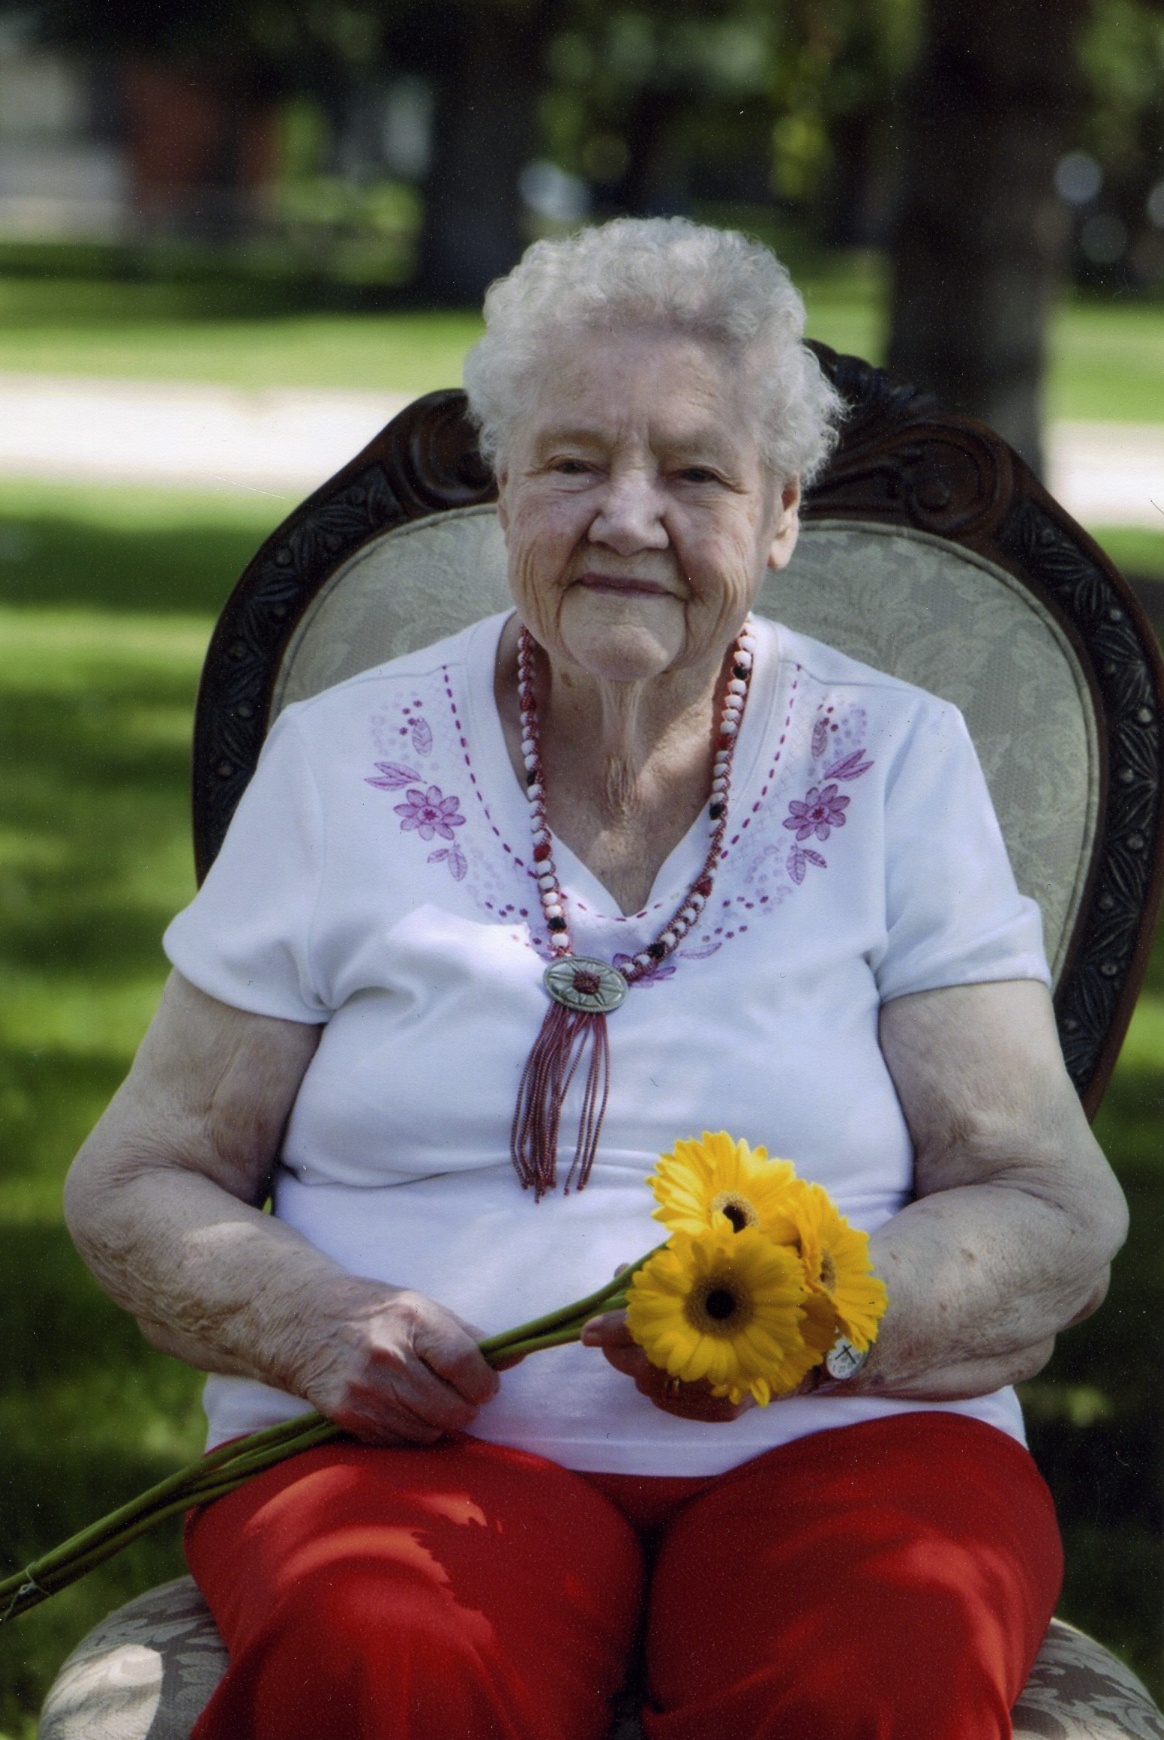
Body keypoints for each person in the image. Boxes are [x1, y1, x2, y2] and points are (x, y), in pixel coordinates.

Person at [64, 218, 1126, 1740]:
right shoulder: (343, 761)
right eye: (572, 463)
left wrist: (812, 1321)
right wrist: (313, 1324)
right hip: (402, 1468)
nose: (628, 517)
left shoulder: (895, 760)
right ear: (504, 492)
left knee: (874, 1666)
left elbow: (1051, 1209)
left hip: (849, 1452)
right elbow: (138, 1178)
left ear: (778, 518)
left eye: (694, 474)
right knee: (382, 1647)